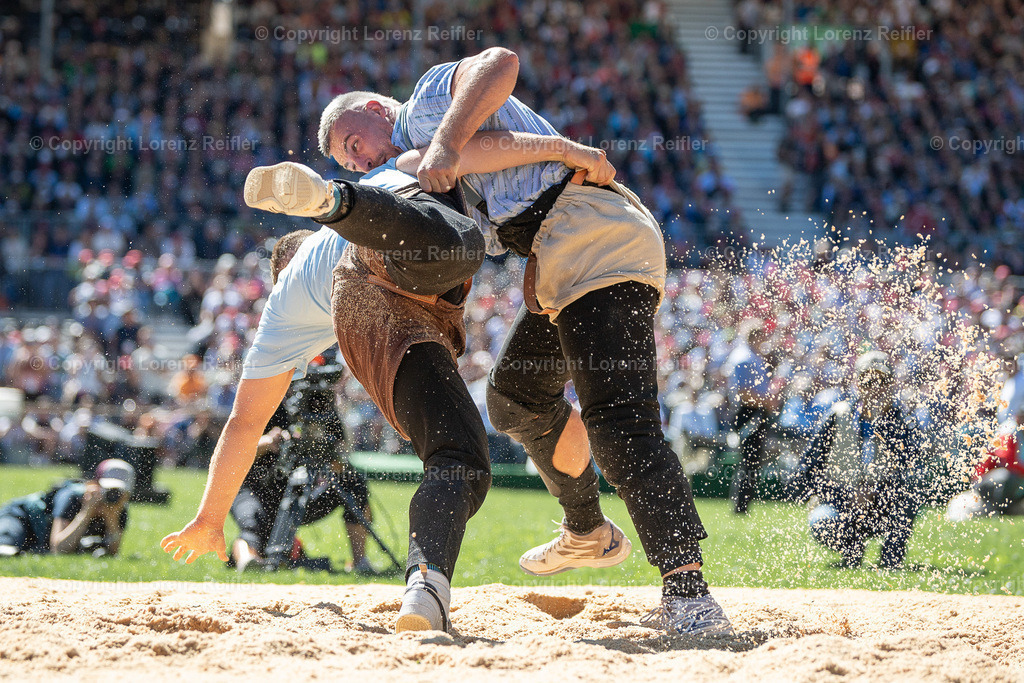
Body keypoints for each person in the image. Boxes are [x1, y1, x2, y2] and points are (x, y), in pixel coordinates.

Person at [318, 47, 734, 635]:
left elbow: (498, 62)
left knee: (618, 421)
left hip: (592, 236)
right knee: (514, 396)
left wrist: (443, 146)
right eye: (350, 162)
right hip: (563, 253)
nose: (361, 162)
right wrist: (541, 157)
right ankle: (586, 530)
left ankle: (690, 594)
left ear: (371, 109)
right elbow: (493, 164)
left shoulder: (423, 105)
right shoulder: (424, 167)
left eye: (353, 144)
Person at [160, 131, 618, 633]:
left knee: (459, 458)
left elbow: (243, 425)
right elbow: (473, 149)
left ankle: (426, 586)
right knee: (458, 244)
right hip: (392, 235)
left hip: (367, 293)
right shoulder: (383, 174)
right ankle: (333, 199)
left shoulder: (283, 307)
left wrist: (209, 518)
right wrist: (568, 151)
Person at [787, 351, 923, 569]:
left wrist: (876, 490)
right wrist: (846, 494)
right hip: (842, 503)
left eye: (882, 381)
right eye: (868, 381)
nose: (875, 388)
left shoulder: (903, 420)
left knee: (909, 496)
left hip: (884, 504)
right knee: (822, 521)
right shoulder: (837, 415)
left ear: (892, 384)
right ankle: (852, 550)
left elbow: (914, 466)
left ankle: (891, 558)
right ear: (858, 383)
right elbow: (805, 470)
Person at [229, 390, 376, 575]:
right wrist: (267, 443)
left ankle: (360, 561)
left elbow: (341, 453)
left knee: (353, 483)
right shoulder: (259, 399)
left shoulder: (320, 404)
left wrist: (324, 449)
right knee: (253, 524)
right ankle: (248, 561)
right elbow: (232, 450)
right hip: (254, 491)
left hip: (299, 495)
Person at [0, 458, 134, 557]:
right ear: (95, 484)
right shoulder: (72, 496)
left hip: (38, 536)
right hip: (20, 516)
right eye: (108, 489)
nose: (113, 495)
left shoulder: (119, 508)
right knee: (6, 545)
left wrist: (112, 519)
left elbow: (113, 552)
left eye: (120, 492)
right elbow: (59, 548)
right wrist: (86, 513)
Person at [724, 319, 781, 514]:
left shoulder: (751, 356)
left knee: (751, 461)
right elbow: (744, 393)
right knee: (749, 460)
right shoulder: (745, 358)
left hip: (753, 411)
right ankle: (740, 504)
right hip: (749, 413)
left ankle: (743, 503)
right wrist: (767, 402)